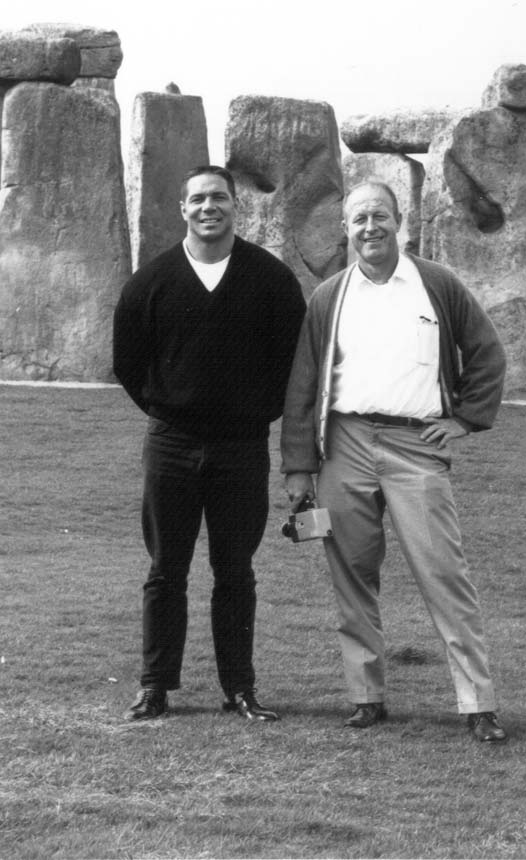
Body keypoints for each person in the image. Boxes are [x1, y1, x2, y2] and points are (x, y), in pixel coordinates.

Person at [281, 179, 507, 740]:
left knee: (443, 574)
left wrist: (464, 418)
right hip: (345, 446)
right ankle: (366, 697)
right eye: (358, 219)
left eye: (379, 215)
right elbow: (304, 385)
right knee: (352, 576)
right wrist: (298, 467)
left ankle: (478, 704)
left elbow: (486, 352)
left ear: (399, 220)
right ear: (346, 229)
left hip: (416, 447)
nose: (370, 228)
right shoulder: (330, 295)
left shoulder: (436, 283)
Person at [113, 165, 306, 722]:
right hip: (171, 443)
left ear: (234, 206)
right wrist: (167, 408)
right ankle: (155, 686)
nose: (208, 208)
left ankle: (240, 688)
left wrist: (253, 414)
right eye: (197, 199)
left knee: (235, 571)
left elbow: (291, 363)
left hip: (242, 447)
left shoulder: (270, 279)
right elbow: (128, 362)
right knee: (165, 569)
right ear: (182, 208)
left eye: (218, 198)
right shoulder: (151, 281)